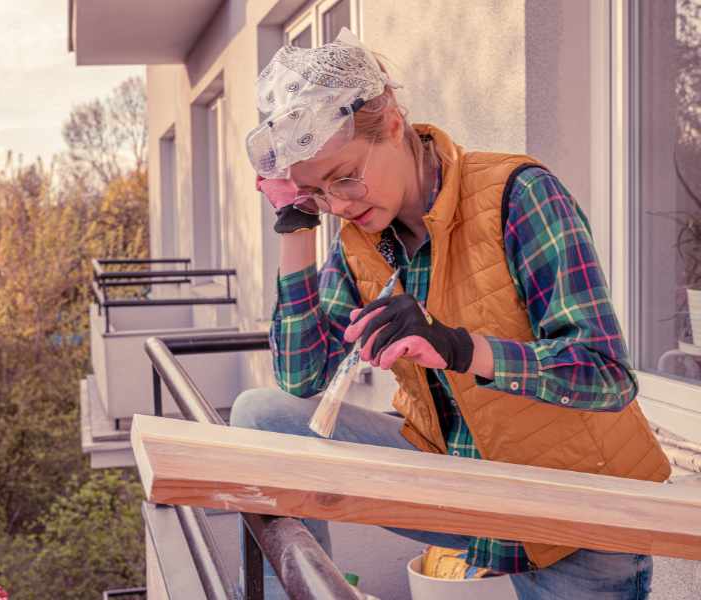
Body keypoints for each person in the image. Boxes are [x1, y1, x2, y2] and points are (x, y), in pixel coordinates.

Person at [233, 27, 669, 600]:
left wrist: (459, 347)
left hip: (579, 518)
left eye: (345, 177)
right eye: (318, 193)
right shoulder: (359, 238)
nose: (339, 204)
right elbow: (299, 378)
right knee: (262, 416)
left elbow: (607, 376)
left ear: (391, 120)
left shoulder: (520, 194)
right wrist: (295, 224)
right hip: (470, 491)